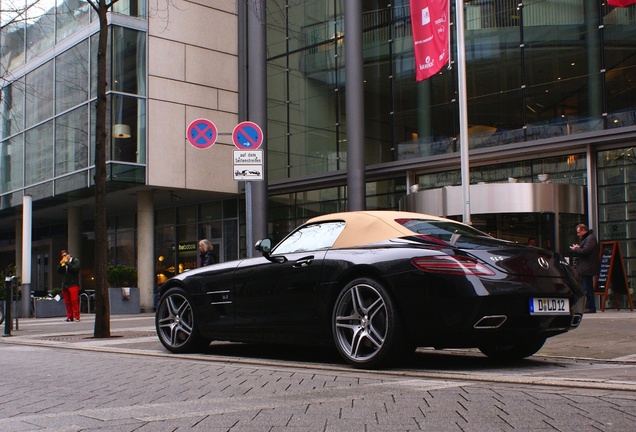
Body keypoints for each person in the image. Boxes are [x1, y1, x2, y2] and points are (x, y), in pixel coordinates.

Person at [570, 224, 600, 313]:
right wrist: (579, 248)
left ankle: (591, 307)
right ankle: (588, 306)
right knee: (585, 288)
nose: (578, 234)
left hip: (588, 267)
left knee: (587, 288)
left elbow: (585, 251)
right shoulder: (587, 239)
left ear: (584, 230)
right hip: (585, 267)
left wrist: (576, 249)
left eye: (579, 232)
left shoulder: (590, 238)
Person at [57, 250, 81, 322]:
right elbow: (59, 272)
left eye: (65, 255)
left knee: (74, 300)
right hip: (65, 284)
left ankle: (77, 316)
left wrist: (67, 263)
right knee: (67, 302)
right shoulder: (64, 264)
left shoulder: (75, 261)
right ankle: (70, 316)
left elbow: (75, 269)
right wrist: (60, 265)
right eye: (62, 256)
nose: (64, 257)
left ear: (68, 255)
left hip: (73, 284)